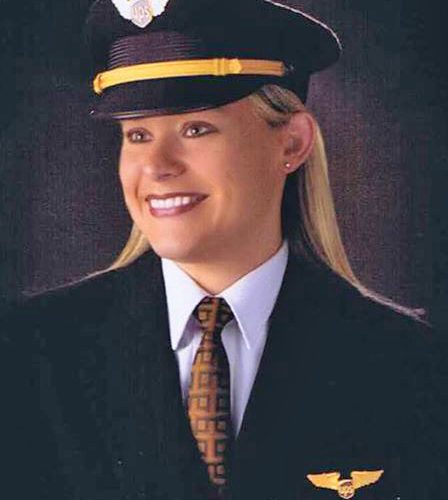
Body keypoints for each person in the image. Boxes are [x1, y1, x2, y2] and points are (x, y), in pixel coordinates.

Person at [1, 0, 445, 499]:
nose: (158, 165)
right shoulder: (29, 353)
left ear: (292, 143)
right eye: (138, 134)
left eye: (196, 129)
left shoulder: (409, 364)